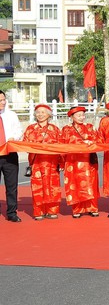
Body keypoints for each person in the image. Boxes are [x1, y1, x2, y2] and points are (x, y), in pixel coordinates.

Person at [22, 103, 61, 220]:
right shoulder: (30, 128)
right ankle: (38, 211)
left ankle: (52, 210)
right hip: (36, 163)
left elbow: (61, 146)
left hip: (52, 163)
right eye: (38, 112)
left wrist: (62, 162)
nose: (40, 115)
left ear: (48, 115)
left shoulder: (55, 129)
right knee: (37, 187)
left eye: (43, 112)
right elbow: (25, 144)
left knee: (53, 186)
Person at [61, 106, 100, 218]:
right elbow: (62, 145)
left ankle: (92, 208)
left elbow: (99, 140)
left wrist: (91, 141)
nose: (81, 117)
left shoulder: (90, 127)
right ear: (72, 117)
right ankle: (77, 209)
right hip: (73, 162)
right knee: (75, 184)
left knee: (91, 184)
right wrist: (61, 162)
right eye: (78, 115)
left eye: (83, 115)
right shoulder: (66, 129)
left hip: (88, 161)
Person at [0, 90, 23, 222]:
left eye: (3, 99)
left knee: (12, 185)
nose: (3, 102)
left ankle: (12, 212)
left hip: (10, 154)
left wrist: (15, 137)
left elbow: (19, 130)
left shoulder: (11, 115)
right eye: (0, 100)